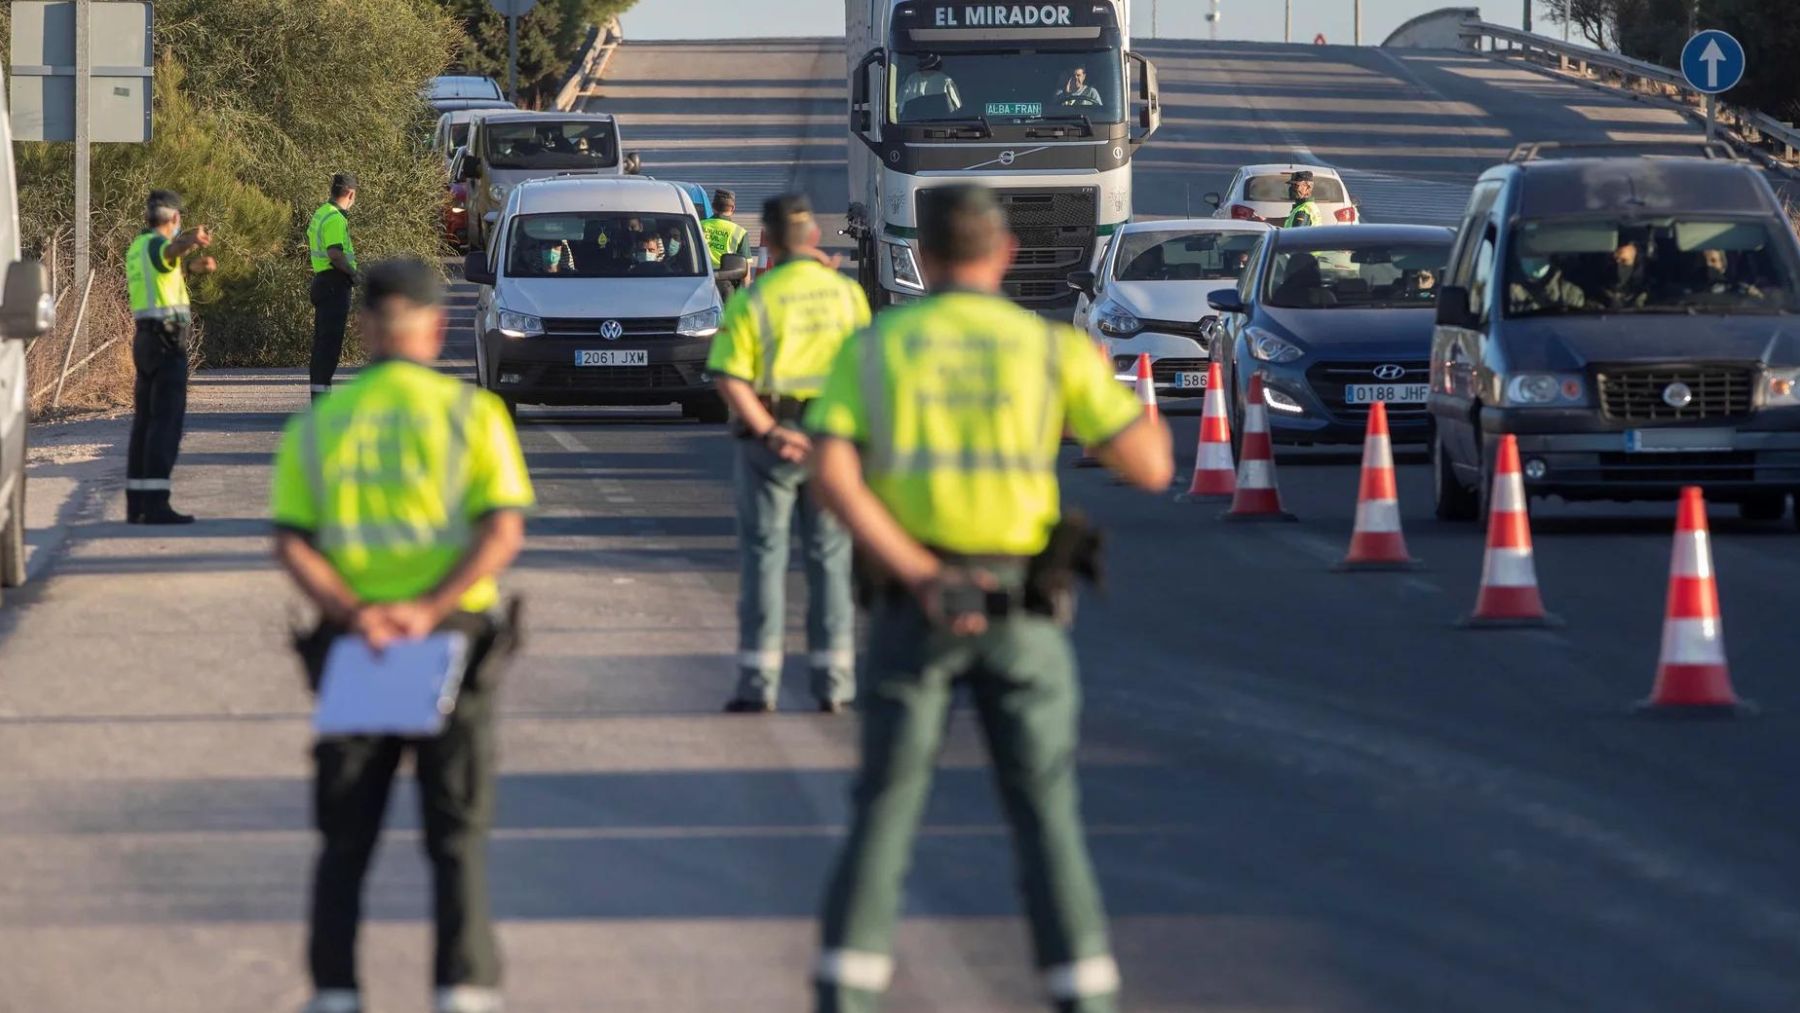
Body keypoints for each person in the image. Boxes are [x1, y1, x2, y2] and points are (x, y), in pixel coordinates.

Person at [804, 184, 1173, 1012]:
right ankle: (1083, 993)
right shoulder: (1050, 349)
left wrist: (919, 571)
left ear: (923, 258)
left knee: (885, 813)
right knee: (1046, 812)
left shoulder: (877, 348)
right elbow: (1151, 467)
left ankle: (845, 994)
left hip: (915, 605)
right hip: (1022, 611)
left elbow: (831, 473)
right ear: (1004, 253)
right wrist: (1110, 391)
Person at [273, 259, 534, 1013]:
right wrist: (427, 609)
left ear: (363, 330)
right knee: (456, 836)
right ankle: (464, 989)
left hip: (358, 645)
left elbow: (292, 541)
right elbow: (501, 531)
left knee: (346, 840)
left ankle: (335, 991)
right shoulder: (472, 416)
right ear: (435, 326)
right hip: (452, 640)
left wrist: (359, 613)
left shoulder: (325, 423)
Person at [707, 194, 871, 714]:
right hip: (832, 444)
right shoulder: (847, 296)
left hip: (772, 444)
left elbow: (729, 377)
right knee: (830, 560)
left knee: (764, 560)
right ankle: (835, 683)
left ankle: (759, 683)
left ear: (768, 242)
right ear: (816, 239)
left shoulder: (754, 300)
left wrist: (772, 431)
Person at [124, 189, 216, 525]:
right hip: (166, 343)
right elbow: (170, 251)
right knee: (166, 422)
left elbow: (165, 267)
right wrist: (191, 242)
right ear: (174, 219)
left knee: (145, 422)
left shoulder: (139, 247)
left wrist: (191, 266)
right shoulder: (159, 245)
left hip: (146, 340)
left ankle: (138, 504)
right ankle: (157, 504)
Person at [307, 173, 360, 401]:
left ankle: (319, 397)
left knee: (322, 346)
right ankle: (321, 404)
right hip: (334, 285)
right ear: (351, 193)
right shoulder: (335, 218)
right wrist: (355, 274)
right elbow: (335, 254)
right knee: (329, 348)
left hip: (323, 283)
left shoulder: (321, 213)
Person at [1508, 254, 1586, 314]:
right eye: (1529, 255)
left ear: (1548, 258)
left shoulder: (1571, 292)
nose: (1534, 261)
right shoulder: (1507, 292)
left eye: (1539, 256)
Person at [701, 188, 752, 270]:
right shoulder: (740, 232)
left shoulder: (699, 224)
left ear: (713, 206)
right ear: (733, 208)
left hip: (701, 277)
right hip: (728, 278)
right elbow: (745, 266)